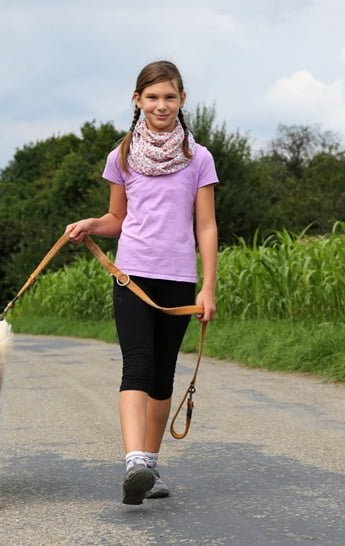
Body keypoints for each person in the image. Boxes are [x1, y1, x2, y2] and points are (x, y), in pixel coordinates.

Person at [65, 60, 218, 505]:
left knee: (163, 373)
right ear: (137, 101)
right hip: (132, 276)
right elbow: (118, 217)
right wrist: (93, 223)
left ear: (183, 100)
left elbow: (206, 226)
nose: (161, 105)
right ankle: (134, 459)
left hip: (178, 280)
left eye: (170, 97)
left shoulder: (199, 158)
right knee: (138, 362)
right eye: (152, 97)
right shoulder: (122, 156)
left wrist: (208, 287)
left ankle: (150, 464)